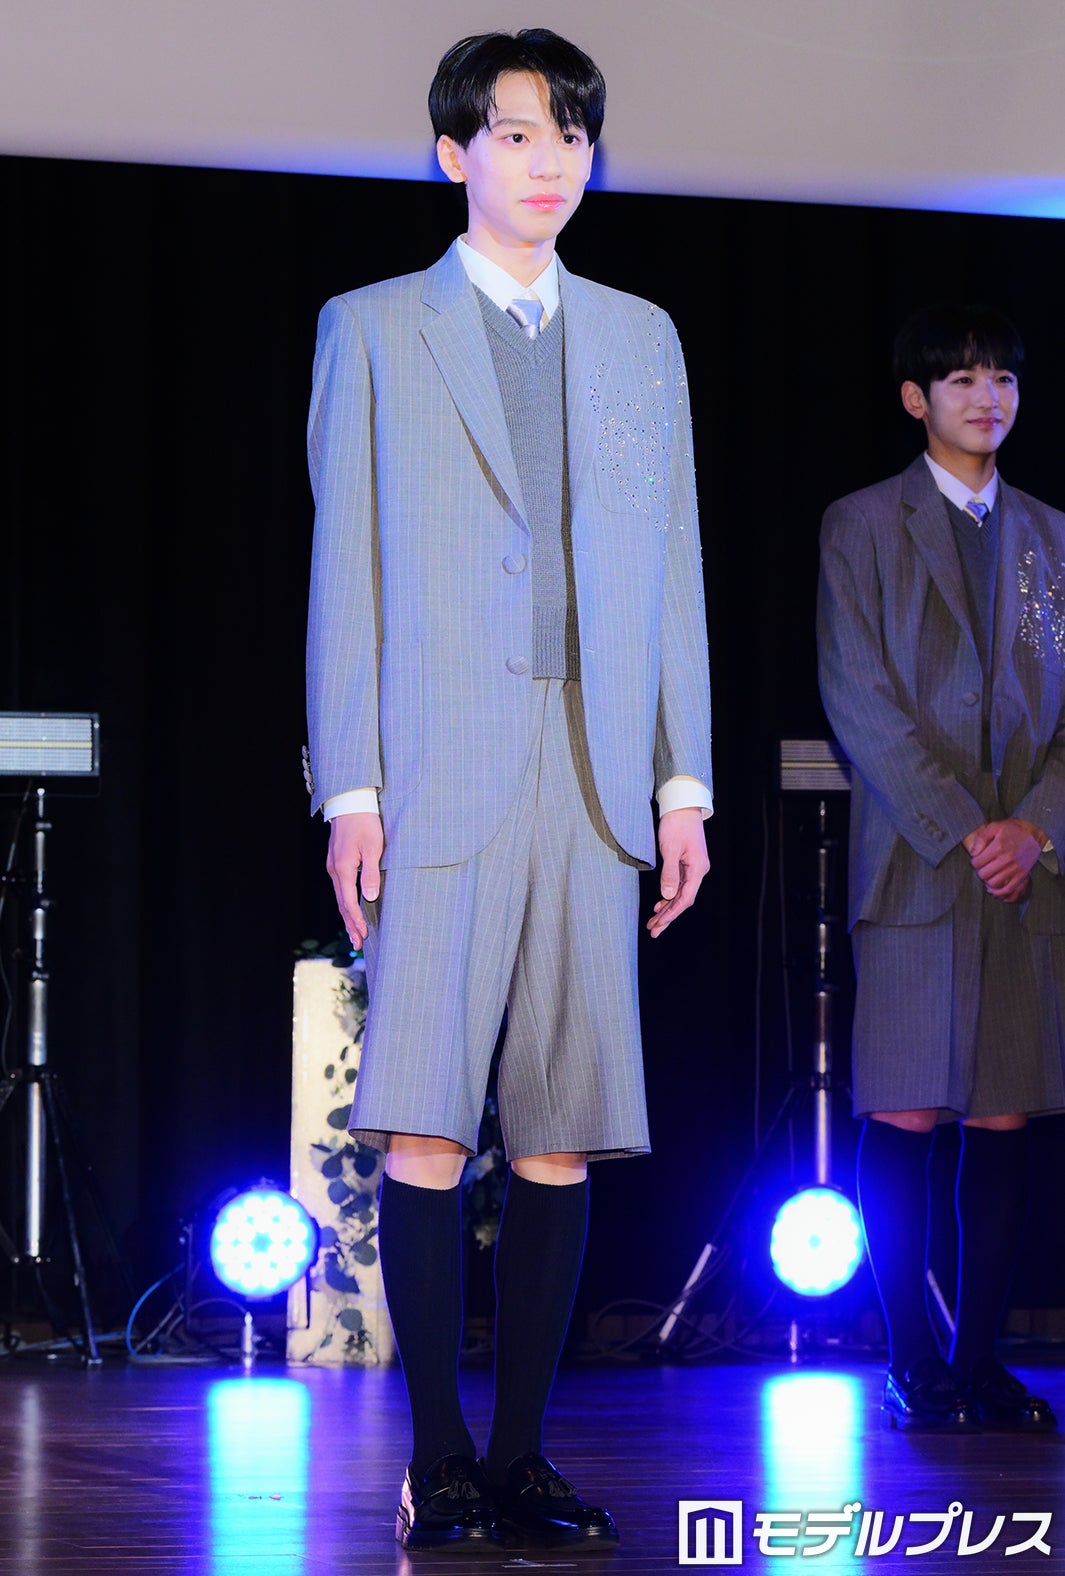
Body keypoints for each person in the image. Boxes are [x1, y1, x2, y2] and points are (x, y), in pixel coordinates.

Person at [303, 27, 713, 1549]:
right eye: (521, 135)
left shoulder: (640, 336)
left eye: (572, 138)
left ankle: (525, 1454)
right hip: (439, 763)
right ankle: (442, 1458)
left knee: (560, 1123)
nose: (551, 165)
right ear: (453, 152)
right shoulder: (373, 326)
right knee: (426, 1121)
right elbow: (344, 570)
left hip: (596, 771)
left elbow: (671, 569)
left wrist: (682, 780)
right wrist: (352, 787)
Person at [817, 303, 1064, 1432]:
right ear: (917, 398)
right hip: (917, 863)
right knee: (908, 1110)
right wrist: (968, 826)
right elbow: (857, 695)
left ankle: (980, 1361)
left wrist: (1035, 828)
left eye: (1001, 377)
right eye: (962, 379)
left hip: (1026, 872)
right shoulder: (863, 524)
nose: (987, 397)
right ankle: (910, 1359)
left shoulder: (1051, 535)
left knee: (1003, 1117)